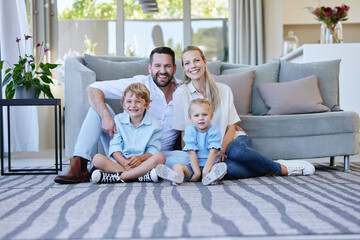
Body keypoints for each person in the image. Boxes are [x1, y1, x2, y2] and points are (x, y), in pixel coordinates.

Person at [172, 45, 315, 179]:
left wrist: (222, 149)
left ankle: (281, 168)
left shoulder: (223, 90)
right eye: (188, 63)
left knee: (236, 152)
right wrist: (196, 164)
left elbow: (231, 127)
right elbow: (184, 132)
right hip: (209, 152)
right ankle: (265, 167)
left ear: (204, 62)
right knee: (228, 170)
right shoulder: (181, 93)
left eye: (197, 60)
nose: (193, 66)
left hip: (232, 140)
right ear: (183, 68)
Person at [54, 47, 185, 184]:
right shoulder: (138, 85)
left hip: (157, 155)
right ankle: (79, 165)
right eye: (157, 66)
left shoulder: (184, 90)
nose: (162, 71)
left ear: (174, 68)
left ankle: (118, 172)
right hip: (122, 151)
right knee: (96, 110)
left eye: (167, 66)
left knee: (186, 159)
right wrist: (105, 116)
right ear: (150, 68)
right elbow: (93, 88)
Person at [91, 83, 165, 183]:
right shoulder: (118, 120)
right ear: (123, 104)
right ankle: (139, 176)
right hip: (120, 162)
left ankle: (119, 177)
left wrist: (139, 158)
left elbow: (153, 150)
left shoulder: (155, 126)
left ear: (147, 104)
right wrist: (123, 162)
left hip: (142, 163)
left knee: (160, 157)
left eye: (138, 102)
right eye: (129, 101)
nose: (133, 105)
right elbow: (115, 147)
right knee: (97, 159)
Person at [156, 98, 227, 185]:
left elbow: (213, 152)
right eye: (196, 115)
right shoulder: (190, 130)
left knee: (218, 167)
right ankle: (177, 177)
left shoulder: (214, 130)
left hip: (210, 165)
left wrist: (205, 171)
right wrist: (197, 173)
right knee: (177, 166)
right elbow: (191, 153)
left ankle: (212, 178)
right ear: (190, 118)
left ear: (211, 116)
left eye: (204, 114)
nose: (201, 118)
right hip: (192, 167)